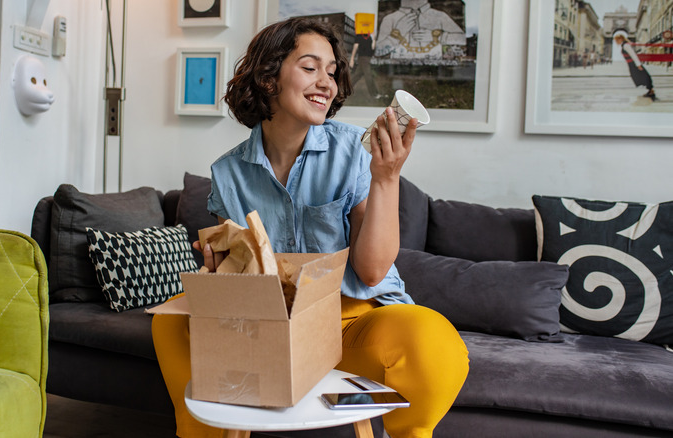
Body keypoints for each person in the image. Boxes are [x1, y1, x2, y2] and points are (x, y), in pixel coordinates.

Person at [152, 17, 469, 438]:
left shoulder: (354, 152)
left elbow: (372, 271)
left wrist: (385, 178)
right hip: (271, 327)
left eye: (332, 72)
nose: (328, 83)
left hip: (352, 326)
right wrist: (220, 271)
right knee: (171, 319)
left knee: (433, 341)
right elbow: (241, 280)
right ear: (268, 78)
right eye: (310, 67)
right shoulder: (227, 173)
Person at [374, 0, 466, 62]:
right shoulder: (390, 19)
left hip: (434, 71)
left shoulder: (440, 16)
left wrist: (436, 36)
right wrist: (397, 34)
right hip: (399, 72)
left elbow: (462, 39)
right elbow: (378, 51)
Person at [614, 33, 656, 100]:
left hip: (634, 64)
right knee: (639, 77)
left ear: (620, 39)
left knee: (643, 76)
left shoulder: (626, 45)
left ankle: (651, 91)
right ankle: (650, 90)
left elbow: (633, 55)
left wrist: (638, 65)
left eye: (616, 40)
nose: (616, 42)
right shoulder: (624, 45)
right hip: (632, 64)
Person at [350, 31, 381, 100]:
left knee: (357, 75)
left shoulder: (369, 37)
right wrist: (352, 59)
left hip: (367, 58)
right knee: (368, 76)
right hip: (362, 58)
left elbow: (372, 48)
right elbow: (355, 48)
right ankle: (374, 94)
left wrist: (374, 39)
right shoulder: (359, 36)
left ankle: (346, 90)